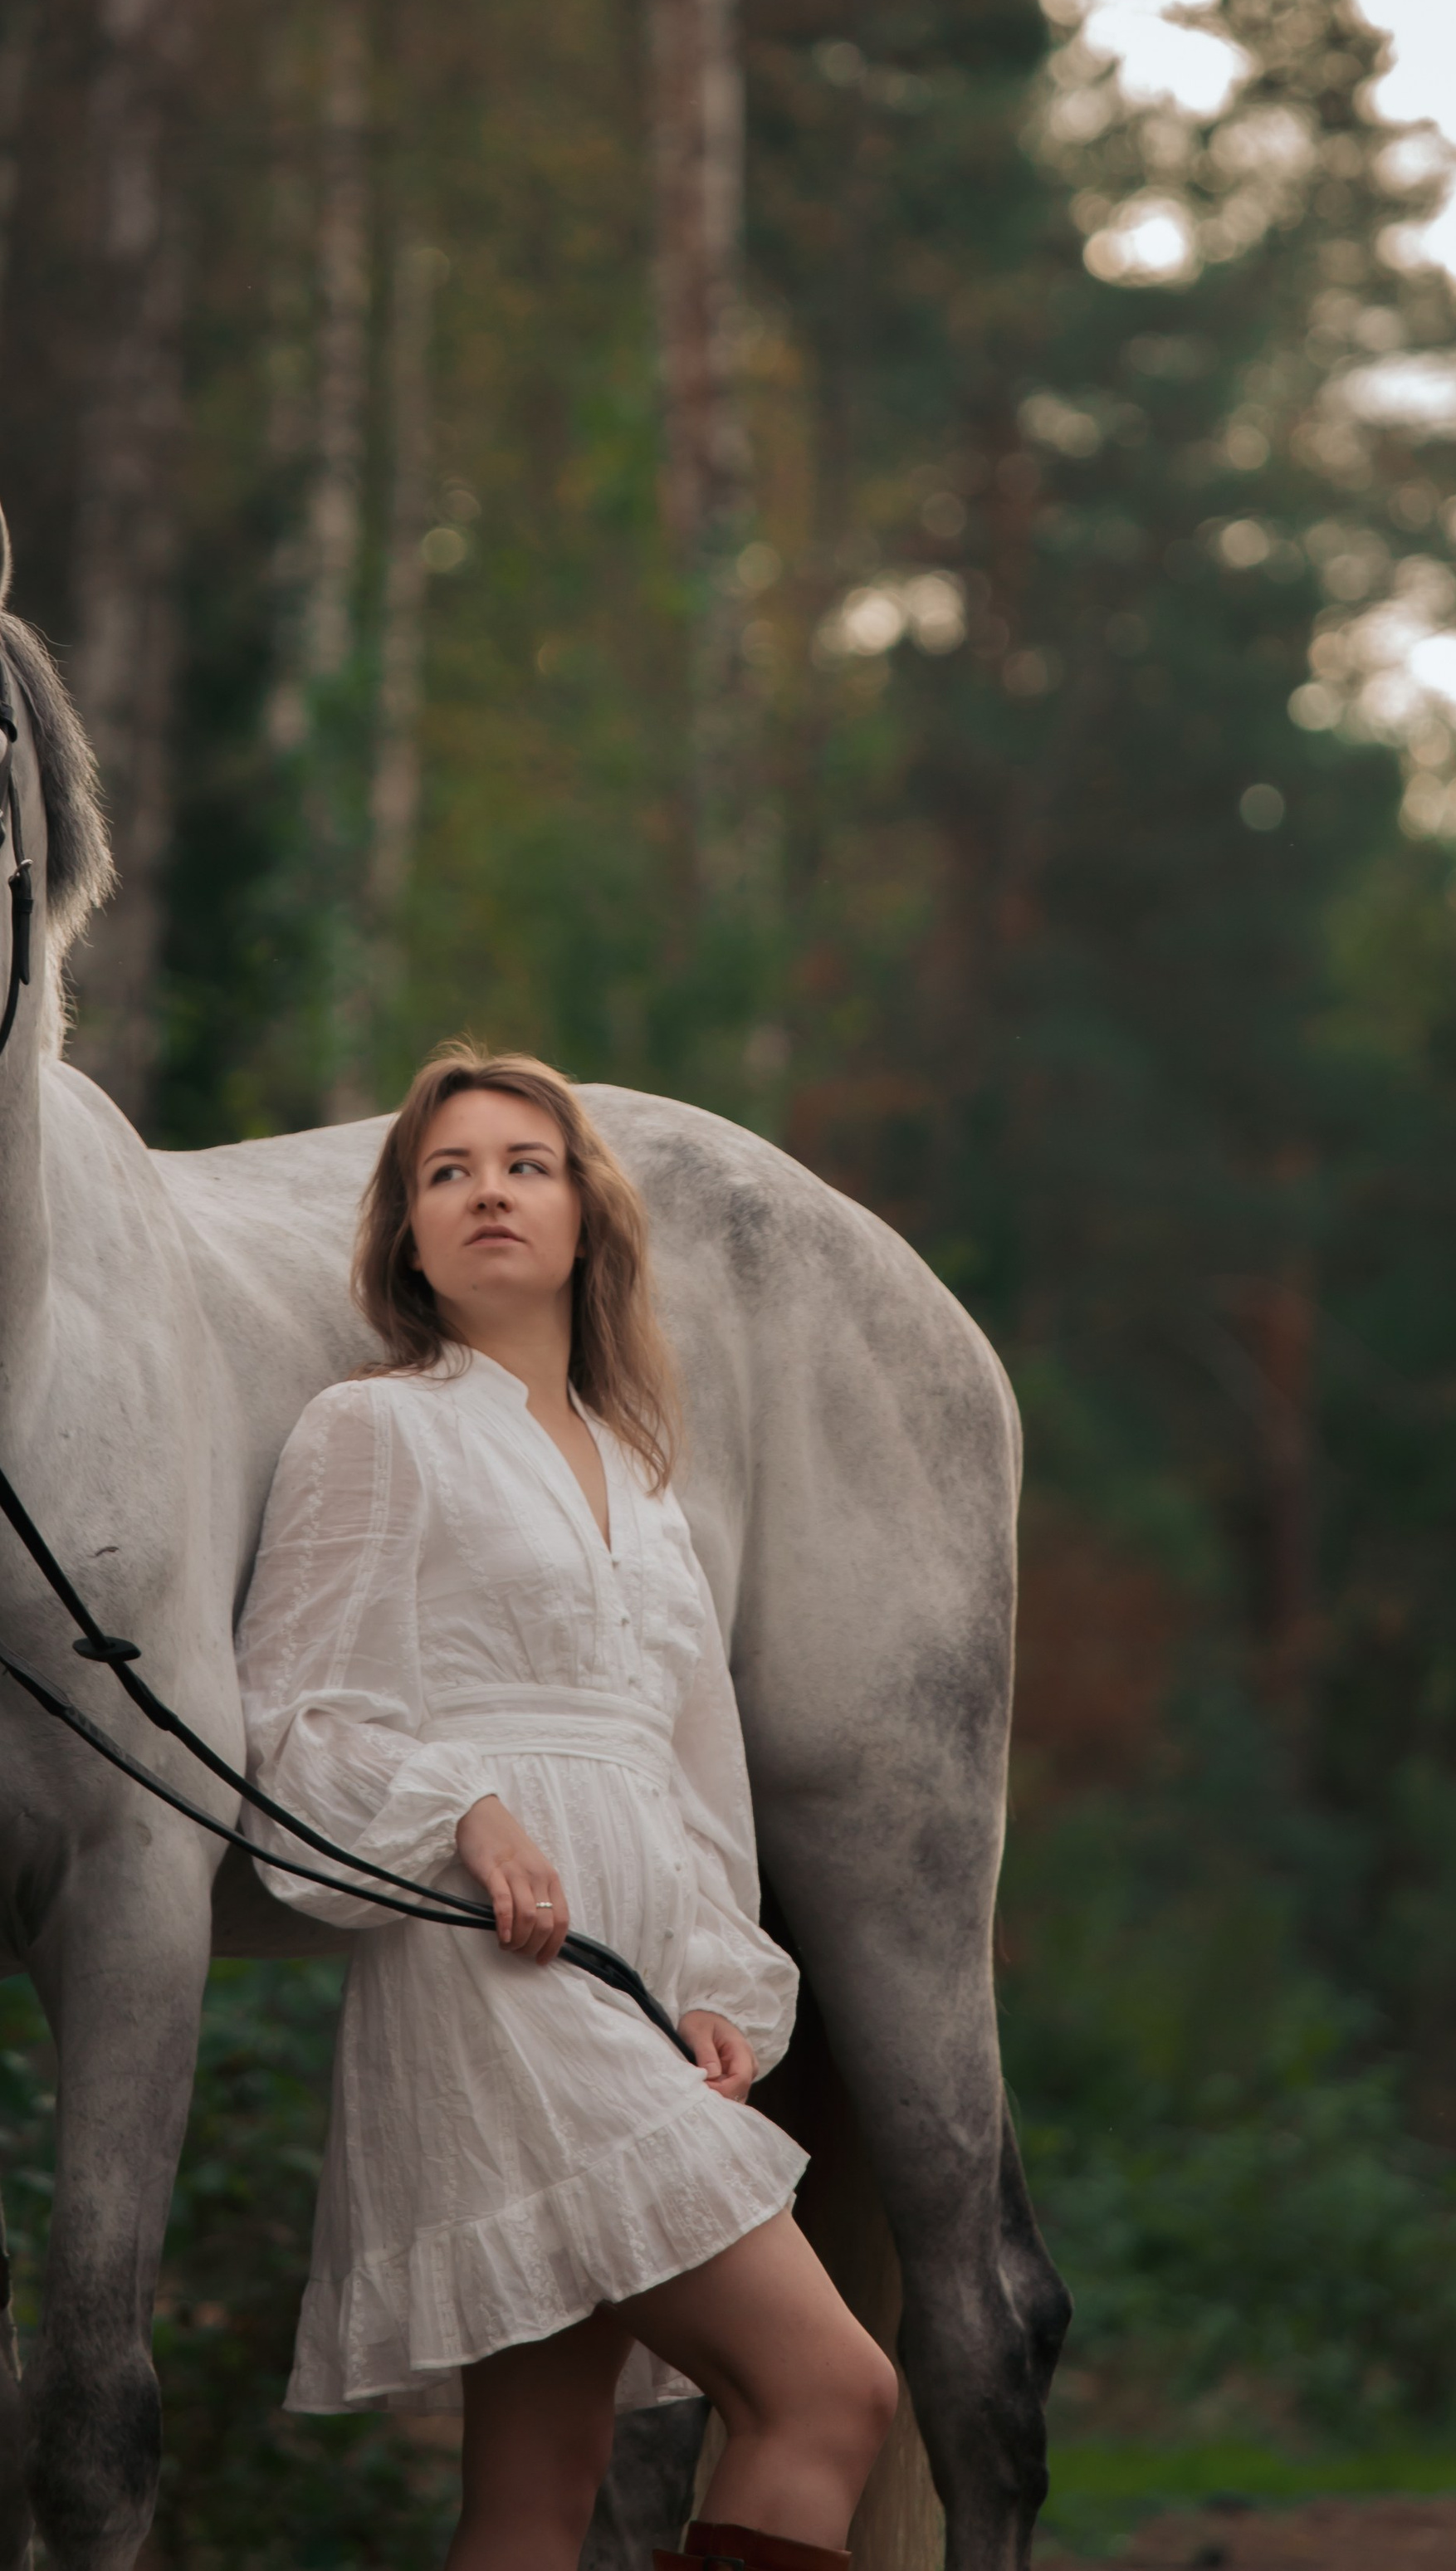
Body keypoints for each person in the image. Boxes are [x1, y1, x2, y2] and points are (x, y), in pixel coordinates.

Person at [236, 1043, 898, 2571]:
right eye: (446, 1171)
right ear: (406, 1231)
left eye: (524, 1165)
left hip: (640, 1981)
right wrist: (463, 1806)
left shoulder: (646, 1481)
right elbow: (295, 1720)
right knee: (831, 2390)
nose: (486, 1193)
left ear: (587, 1213)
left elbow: (691, 1776)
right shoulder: (374, 1428)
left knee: (537, 2496)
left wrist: (721, 1989)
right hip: (496, 1970)